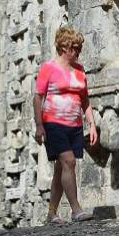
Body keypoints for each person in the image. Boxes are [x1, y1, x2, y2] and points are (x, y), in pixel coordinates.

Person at [34, 26, 99, 224]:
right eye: (75, 48)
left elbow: (85, 99)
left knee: (61, 169)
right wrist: (39, 125)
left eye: (79, 48)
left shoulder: (80, 71)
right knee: (69, 162)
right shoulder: (49, 68)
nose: (78, 52)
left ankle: (51, 213)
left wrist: (92, 124)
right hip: (53, 123)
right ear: (64, 47)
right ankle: (76, 210)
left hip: (74, 124)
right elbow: (38, 97)